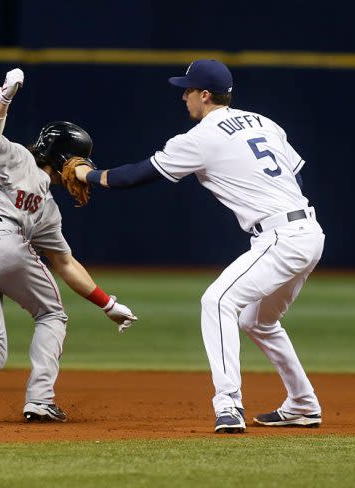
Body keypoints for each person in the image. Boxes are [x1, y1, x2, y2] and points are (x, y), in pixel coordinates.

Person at [73, 59, 325, 433]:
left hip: (280, 238)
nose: (184, 97)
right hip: (308, 229)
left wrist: (88, 174)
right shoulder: (263, 122)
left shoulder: (201, 138)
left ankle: (228, 405)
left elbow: (137, 175)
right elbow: (297, 174)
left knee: (218, 301)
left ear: (204, 95)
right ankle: (303, 404)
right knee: (258, 320)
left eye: (187, 90)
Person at [0, 68, 137, 423]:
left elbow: (66, 263)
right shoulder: (19, 158)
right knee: (52, 315)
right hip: (1, 242)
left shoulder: (48, 210)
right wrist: (3, 101)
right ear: (64, 157)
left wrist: (108, 303)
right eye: (78, 159)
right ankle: (40, 400)